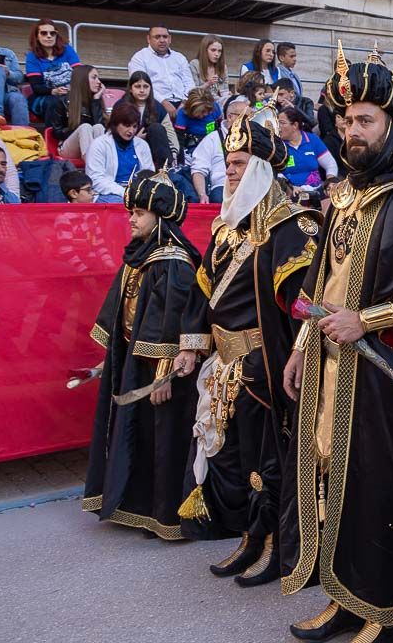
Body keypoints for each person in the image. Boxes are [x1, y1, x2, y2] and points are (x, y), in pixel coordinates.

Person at [281, 47, 393, 643]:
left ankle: (388, 618)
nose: (351, 133)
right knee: (338, 485)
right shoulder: (344, 196)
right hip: (332, 369)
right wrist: (300, 344)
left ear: (391, 126)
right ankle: (345, 598)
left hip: (386, 378)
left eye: (365, 122)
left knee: (379, 491)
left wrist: (366, 319)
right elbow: (317, 283)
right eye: (344, 122)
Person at [174, 106, 319, 588]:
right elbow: (204, 292)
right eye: (227, 163)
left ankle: (277, 545)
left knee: (269, 463)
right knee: (236, 460)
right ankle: (250, 538)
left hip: (264, 363)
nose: (228, 173)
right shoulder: (225, 228)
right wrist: (193, 347)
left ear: (258, 167)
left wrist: (288, 359)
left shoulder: (291, 227)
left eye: (236, 165)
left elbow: (304, 306)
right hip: (226, 363)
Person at [82, 169, 200, 538]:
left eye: (139, 212)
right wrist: (113, 356)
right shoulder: (140, 255)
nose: (131, 218)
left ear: (160, 215)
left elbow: (176, 320)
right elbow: (124, 311)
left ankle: (163, 515)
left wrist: (164, 373)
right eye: (130, 210)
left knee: (160, 439)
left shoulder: (174, 261)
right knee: (136, 433)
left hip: (160, 371)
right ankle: (134, 505)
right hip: (136, 361)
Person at [85, 104, 156, 203]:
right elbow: (95, 180)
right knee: (121, 203)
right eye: (127, 126)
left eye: (134, 126)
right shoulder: (98, 144)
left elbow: (150, 173)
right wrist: (124, 192)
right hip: (109, 193)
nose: (131, 131)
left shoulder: (142, 145)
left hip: (137, 193)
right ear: (115, 124)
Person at [190, 94, 248, 203]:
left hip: (249, 185)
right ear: (230, 117)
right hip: (223, 186)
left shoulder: (255, 138)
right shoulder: (212, 138)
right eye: (244, 117)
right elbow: (198, 170)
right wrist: (202, 194)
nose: (249, 121)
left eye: (251, 117)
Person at [128, 26, 196, 118]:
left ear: (170, 39)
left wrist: (185, 102)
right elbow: (141, 86)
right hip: (155, 101)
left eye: (165, 37)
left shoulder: (179, 57)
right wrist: (164, 102)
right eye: (157, 37)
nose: (162, 40)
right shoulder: (140, 58)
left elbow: (189, 82)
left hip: (183, 101)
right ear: (148, 39)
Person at [25, 18, 81, 121]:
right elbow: (37, 87)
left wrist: (71, 89)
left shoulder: (67, 50)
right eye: (44, 33)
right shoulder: (31, 57)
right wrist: (54, 91)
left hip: (70, 93)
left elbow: (79, 74)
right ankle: (53, 134)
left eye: (52, 33)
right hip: (46, 95)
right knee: (55, 102)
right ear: (37, 36)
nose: (49, 36)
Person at [46, 64, 107, 160]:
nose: (99, 82)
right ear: (82, 80)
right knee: (85, 127)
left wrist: (96, 100)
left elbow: (100, 126)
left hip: (90, 147)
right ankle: (94, 167)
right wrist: (77, 129)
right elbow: (56, 132)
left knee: (98, 127)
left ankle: (98, 164)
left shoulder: (96, 101)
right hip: (68, 147)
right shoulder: (62, 101)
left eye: (98, 78)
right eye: (94, 78)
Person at [122, 70, 180, 169]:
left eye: (145, 87)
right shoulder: (121, 105)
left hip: (153, 148)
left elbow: (170, 132)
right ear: (130, 89)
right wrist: (136, 139)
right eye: (137, 86)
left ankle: (166, 170)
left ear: (150, 89)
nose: (142, 90)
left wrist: (174, 152)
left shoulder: (158, 107)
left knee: (156, 128)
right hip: (126, 146)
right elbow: (114, 132)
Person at [277, 106, 337, 194]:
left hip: (316, 191)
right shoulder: (278, 144)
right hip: (290, 193)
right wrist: (289, 187)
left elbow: (330, 164)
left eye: (282, 123)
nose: (278, 127)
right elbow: (276, 173)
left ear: (295, 125)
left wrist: (330, 181)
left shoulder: (312, 139)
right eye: (277, 123)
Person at [173, 87, 224, 156]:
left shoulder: (215, 107)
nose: (205, 114)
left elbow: (221, 128)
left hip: (213, 142)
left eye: (208, 111)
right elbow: (179, 141)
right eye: (202, 112)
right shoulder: (182, 114)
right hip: (193, 146)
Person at [189, 34, 232, 105]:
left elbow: (224, 90)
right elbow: (192, 92)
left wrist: (228, 95)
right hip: (200, 101)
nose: (217, 54)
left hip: (219, 102)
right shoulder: (195, 64)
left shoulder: (223, 67)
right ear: (205, 50)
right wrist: (208, 84)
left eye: (219, 51)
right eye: (213, 50)